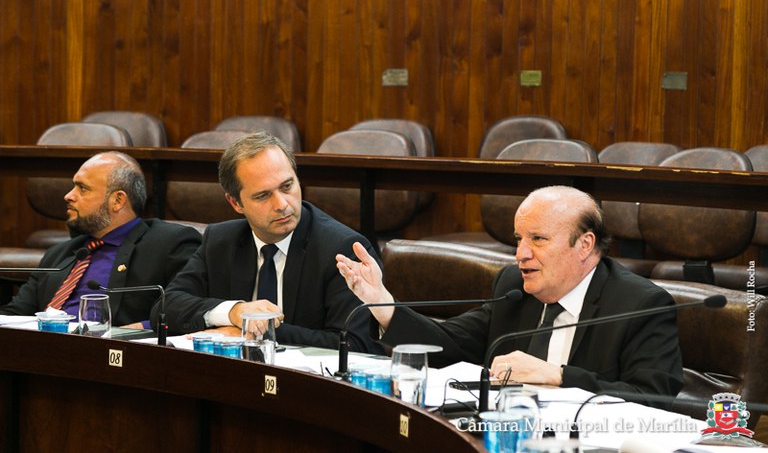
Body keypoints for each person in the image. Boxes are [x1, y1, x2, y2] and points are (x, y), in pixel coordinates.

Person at [336, 185, 684, 402]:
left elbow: (655, 397)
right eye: (519, 239)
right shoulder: (515, 287)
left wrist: (559, 376)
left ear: (584, 244)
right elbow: (448, 343)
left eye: (538, 239)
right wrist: (381, 302)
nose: (521, 254)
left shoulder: (640, 304)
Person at [155, 131, 383, 354]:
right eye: (263, 195)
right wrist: (234, 312)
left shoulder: (342, 249)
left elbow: (355, 344)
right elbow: (164, 308)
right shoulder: (221, 241)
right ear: (235, 203)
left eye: (287, 186)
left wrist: (256, 332)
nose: (282, 204)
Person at [0, 151, 202, 328]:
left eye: (82, 188)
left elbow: (189, 310)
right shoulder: (59, 254)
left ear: (117, 200)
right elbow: (15, 314)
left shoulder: (169, 243)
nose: (68, 196)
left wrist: (140, 329)